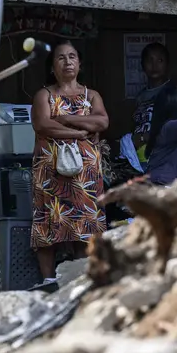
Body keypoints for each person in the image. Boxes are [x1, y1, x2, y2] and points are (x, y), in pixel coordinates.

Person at [29, 40, 109, 282]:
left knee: (84, 224)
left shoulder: (92, 95)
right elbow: (43, 124)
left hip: (84, 176)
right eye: (61, 57)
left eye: (72, 56)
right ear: (52, 67)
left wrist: (63, 118)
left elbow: (102, 122)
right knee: (48, 222)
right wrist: (79, 132)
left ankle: (79, 278)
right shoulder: (44, 94)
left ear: (80, 63)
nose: (68, 61)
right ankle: (49, 281)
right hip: (50, 173)